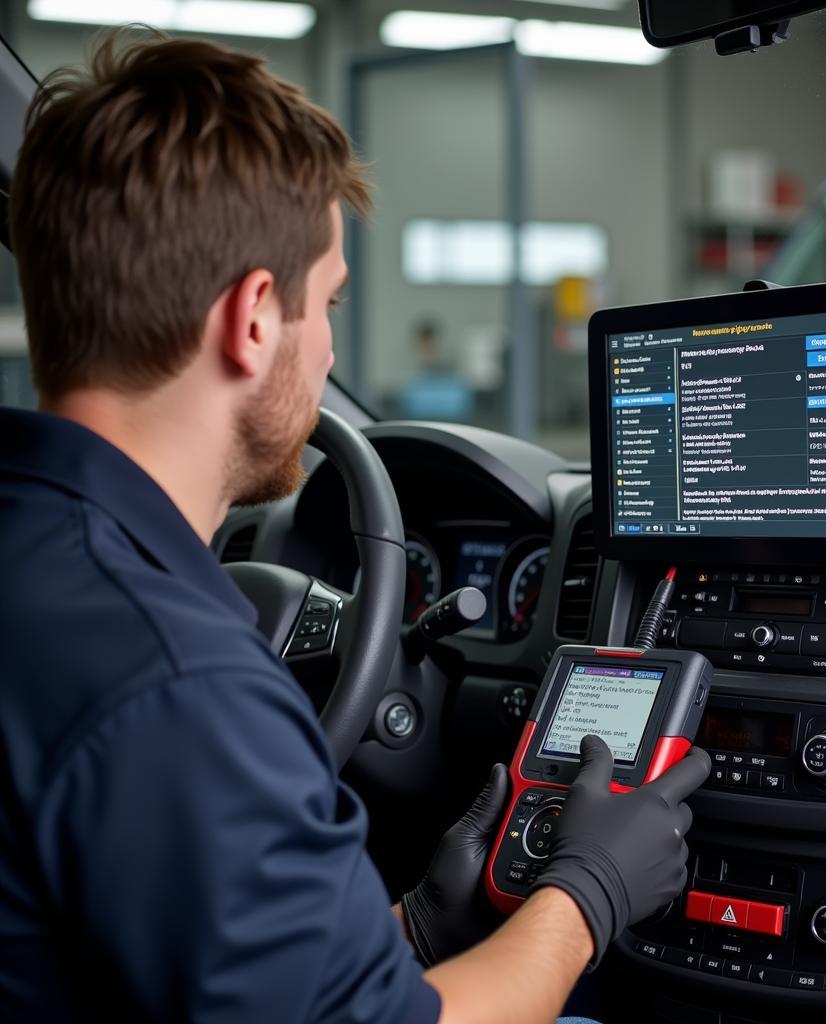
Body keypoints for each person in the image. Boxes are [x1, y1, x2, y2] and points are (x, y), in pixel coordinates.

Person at [0, 31, 710, 1023]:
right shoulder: (178, 682)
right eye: (328, 301)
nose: (330, 338)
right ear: (254, 318)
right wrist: (586, 891)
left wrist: (415, 925)